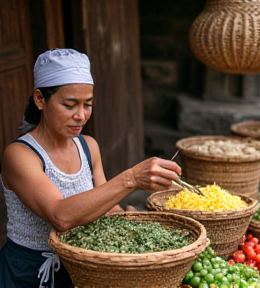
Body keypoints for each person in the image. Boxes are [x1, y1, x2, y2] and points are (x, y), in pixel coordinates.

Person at [0, 48, 182, 288]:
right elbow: (60, 216)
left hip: (81, 267)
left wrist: (126, 218)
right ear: (40, 99)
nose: (81, 115)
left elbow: (105, 206)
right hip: (28, 272)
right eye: (70, 105)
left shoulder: (88, 147)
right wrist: (131, 179)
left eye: (88, 104)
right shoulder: (21, 155)